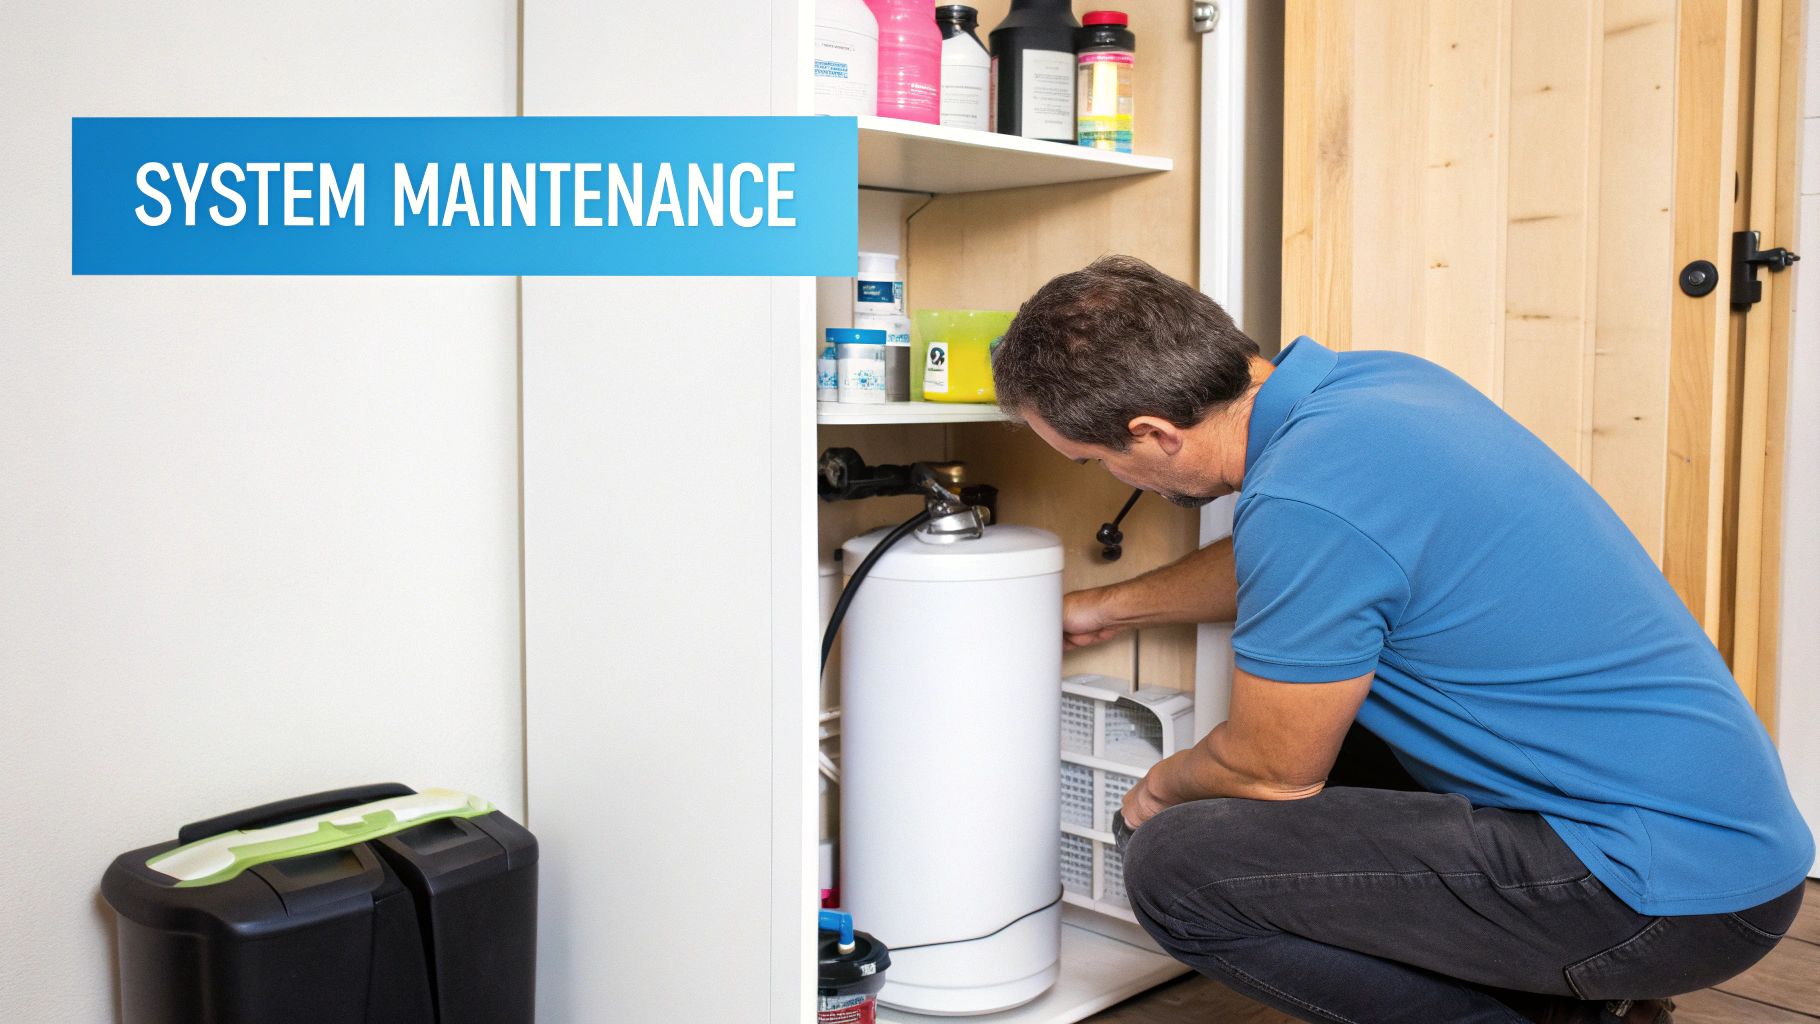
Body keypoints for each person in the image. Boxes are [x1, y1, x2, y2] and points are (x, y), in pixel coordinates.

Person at [990, 256, 1814, 1024]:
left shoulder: (1306, 503)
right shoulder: (1374, 390)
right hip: (1718, 846)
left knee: (1173, 865)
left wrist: (1161, 789)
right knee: (1342, 734)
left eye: (1096, 461)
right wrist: (1109, 606)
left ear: (1155, 433)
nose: (1109, 478)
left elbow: (1272, 771)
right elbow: (1294, 559)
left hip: (1662, 898)